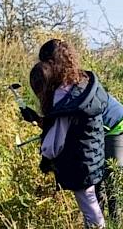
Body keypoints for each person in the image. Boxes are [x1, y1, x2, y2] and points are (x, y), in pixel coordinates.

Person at [36, 38, 123, 224]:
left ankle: (116, 222)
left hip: (117, 125)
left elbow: (62, 132)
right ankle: (101, 221)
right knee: (97, 184)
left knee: (111, 180)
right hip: (103, 128)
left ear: (51, 63)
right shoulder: (71, 82)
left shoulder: (70, 90)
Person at [28, 61, 108, 228]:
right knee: (93, 201)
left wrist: (46, 157)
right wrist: (39, 120)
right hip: (92, 155)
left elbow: (54, 144)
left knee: (90, 209)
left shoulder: (62, 100)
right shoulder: (78, 88)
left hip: (80, 161)